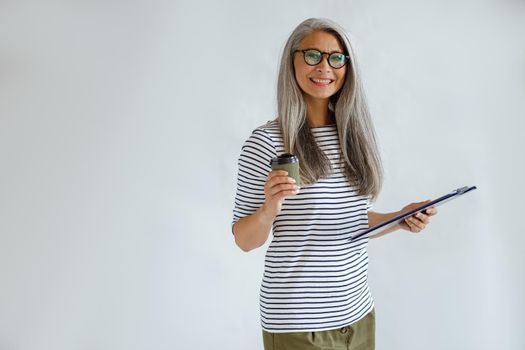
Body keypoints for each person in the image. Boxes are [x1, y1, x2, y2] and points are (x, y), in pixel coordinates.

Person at [231, 18, 437, 350]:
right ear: (292, 60)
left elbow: (348, 220)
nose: (325, 67)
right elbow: (244, 240)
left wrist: (400, 218)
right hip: (298, 323)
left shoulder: (352, 138)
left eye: (336, 57)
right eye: (312, 55)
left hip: (357, 313)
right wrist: (270, 210)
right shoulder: (268, 142)